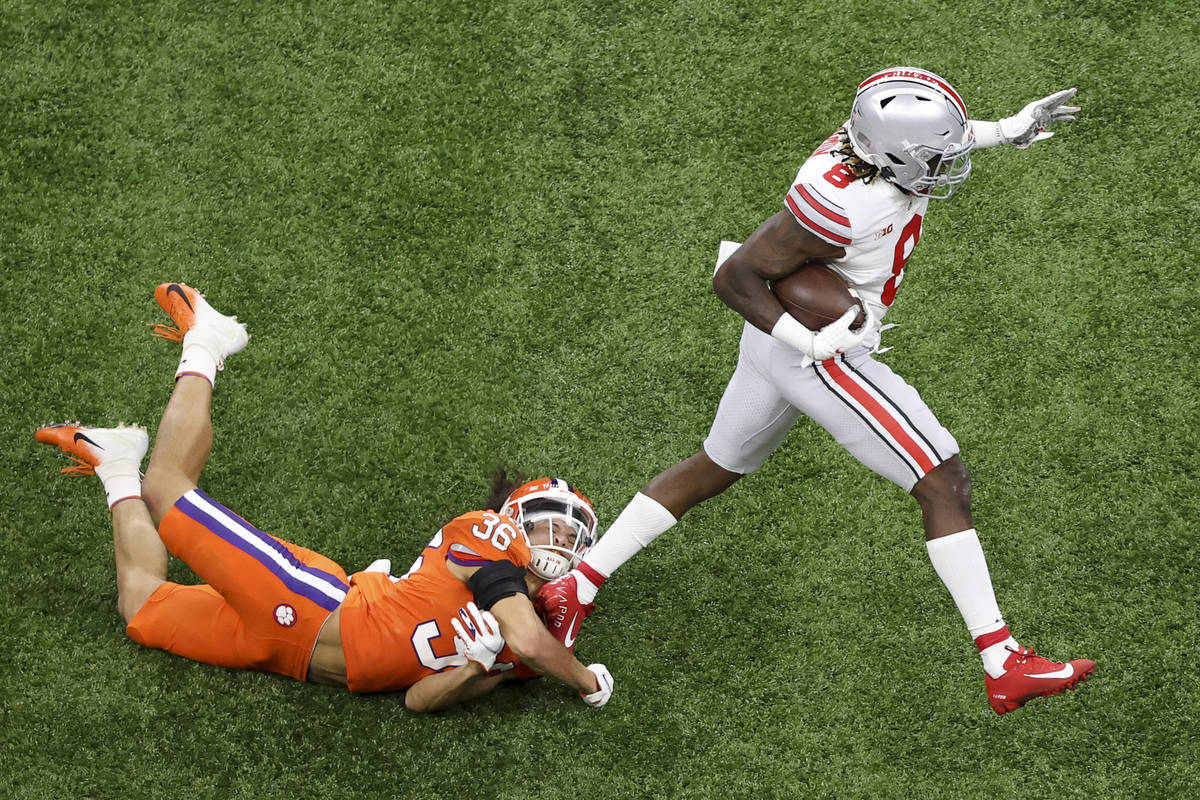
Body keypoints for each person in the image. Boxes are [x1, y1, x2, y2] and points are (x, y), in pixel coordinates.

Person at [535, 67, 1094, 714]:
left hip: (779, 348)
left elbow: (935, 139)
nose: (948, 162)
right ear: (892, 154)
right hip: (815, 351)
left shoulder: (875, 148)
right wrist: (814, 344)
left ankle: (577, 584)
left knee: (716, 465)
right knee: (942, 478)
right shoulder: (844, 203)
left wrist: (1010, 128)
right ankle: (1004, 662)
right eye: (937, 154)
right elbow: (737, 274)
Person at [35, 283, 613, 713]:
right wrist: (587, 681)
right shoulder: (491, 540)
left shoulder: (523, 647)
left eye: (570, 536)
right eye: (549, 527)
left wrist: (475, 665)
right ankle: (207, 344)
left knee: (140, 607)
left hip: (289, 656)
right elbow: (532, 640)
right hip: (313, 604)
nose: (559, 543)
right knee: (166, 492)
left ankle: (114, 463)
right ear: (514, 520)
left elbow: (418, 701)